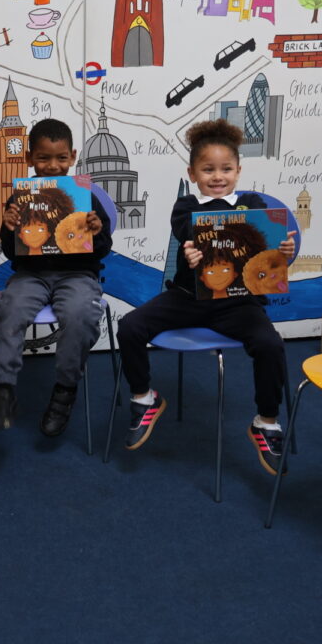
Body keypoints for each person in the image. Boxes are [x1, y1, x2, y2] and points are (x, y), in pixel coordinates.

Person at [115, 119, 294, 473]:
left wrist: (281, 251)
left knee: (270, 345)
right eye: (208, 169)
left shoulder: (252, 203)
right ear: (192, 173)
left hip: (238, 303)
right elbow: (187, 231)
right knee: (130, 326)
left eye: (226, 169)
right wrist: (192, 249)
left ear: (238, 171)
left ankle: (266, 421)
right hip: (188, 297)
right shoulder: (186, 206)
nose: (217, 176)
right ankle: (144, 398)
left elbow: (265, 251)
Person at [0, 118, 111, 437]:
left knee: (80, 315)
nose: (53, 166)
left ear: (73, 156)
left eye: (61, 158)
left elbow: (103, 250)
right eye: (43, 158)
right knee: (9, 311)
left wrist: (97, 231)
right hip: (31, 275)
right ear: (29, 158)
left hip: (78, 275)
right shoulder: (20, 198)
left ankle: (65, 391)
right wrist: (8, 229)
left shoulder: (86, 197)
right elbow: (12, 253)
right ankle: (3, 389)